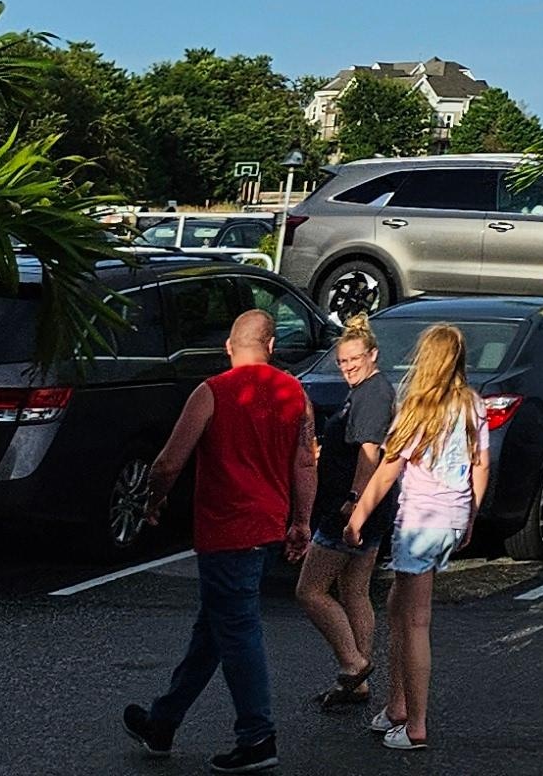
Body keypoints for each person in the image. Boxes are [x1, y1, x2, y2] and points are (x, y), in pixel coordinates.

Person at [122, 302, 316, 773]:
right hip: (267, 525)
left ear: (229, 347)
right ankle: (162, 722)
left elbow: (169, 461)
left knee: (237, 629)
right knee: (213, 629)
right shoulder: (296, 395)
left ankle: (257, 736)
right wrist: (301, 522)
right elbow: (306, 462)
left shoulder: (211, 392)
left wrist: (152, 501)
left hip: (225, 528)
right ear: (271, 347)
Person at [345, 321, 490, 754]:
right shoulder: (473, 406)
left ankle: (415, 723)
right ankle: (396, 706)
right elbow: (480, 465)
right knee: (398, 607)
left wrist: (357, 516)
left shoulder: (418, 408)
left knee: (415, 622)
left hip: (420, 521)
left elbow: (388, 469)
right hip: (450, 519)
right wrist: (470, 515)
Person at [296, 310, 393, 715]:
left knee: (310, 590)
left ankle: (352, 663)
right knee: (354, 588)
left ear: (373, 355)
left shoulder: (372, 394)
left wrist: (353, 503)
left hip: (351, 508)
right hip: (372, 509)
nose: (348, 367)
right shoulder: (370, 390)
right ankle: (359, 681)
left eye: (355, 359)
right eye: (342, 361)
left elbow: (371, 452)